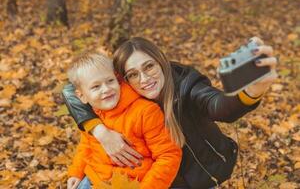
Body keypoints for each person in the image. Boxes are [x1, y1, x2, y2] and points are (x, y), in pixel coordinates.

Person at [63, 37, 277, 188]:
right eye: (133, 74)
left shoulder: (187, 86)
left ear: (161, 62)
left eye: (149, 67)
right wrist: (99, 130)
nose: (144, 79)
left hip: (196, 177)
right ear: (123, 79)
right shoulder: (114, 98)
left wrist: (251, 92)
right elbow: (70, 90)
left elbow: (219, 107)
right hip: (150, 179)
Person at [66, 53, 182, 189]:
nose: (106, 89)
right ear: (82, 96)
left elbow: (168, 155)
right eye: (96, 87)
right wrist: (76, 172)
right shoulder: (93, 113)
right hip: (95, 178)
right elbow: (86, 146)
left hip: (135, 182)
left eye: (110, 81)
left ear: (118, 80)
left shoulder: (145, 112)